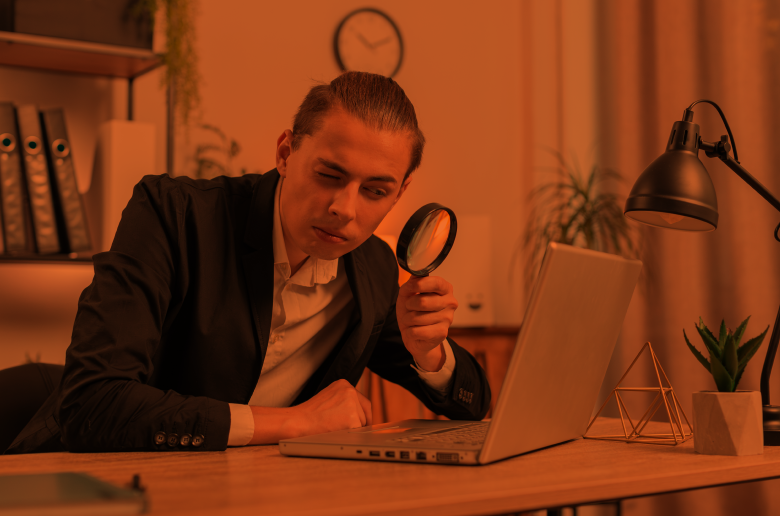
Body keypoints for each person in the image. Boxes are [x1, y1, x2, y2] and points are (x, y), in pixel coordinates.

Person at [6, 71, 490, 454]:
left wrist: (432, 356)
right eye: (329, 174)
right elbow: (94, 403)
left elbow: (475, 404)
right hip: (103, 486)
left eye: (375, 191)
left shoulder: (374, 270)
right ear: (285, 151)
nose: (345, 208)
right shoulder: (173, 215)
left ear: (401, 192)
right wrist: (297, 422)